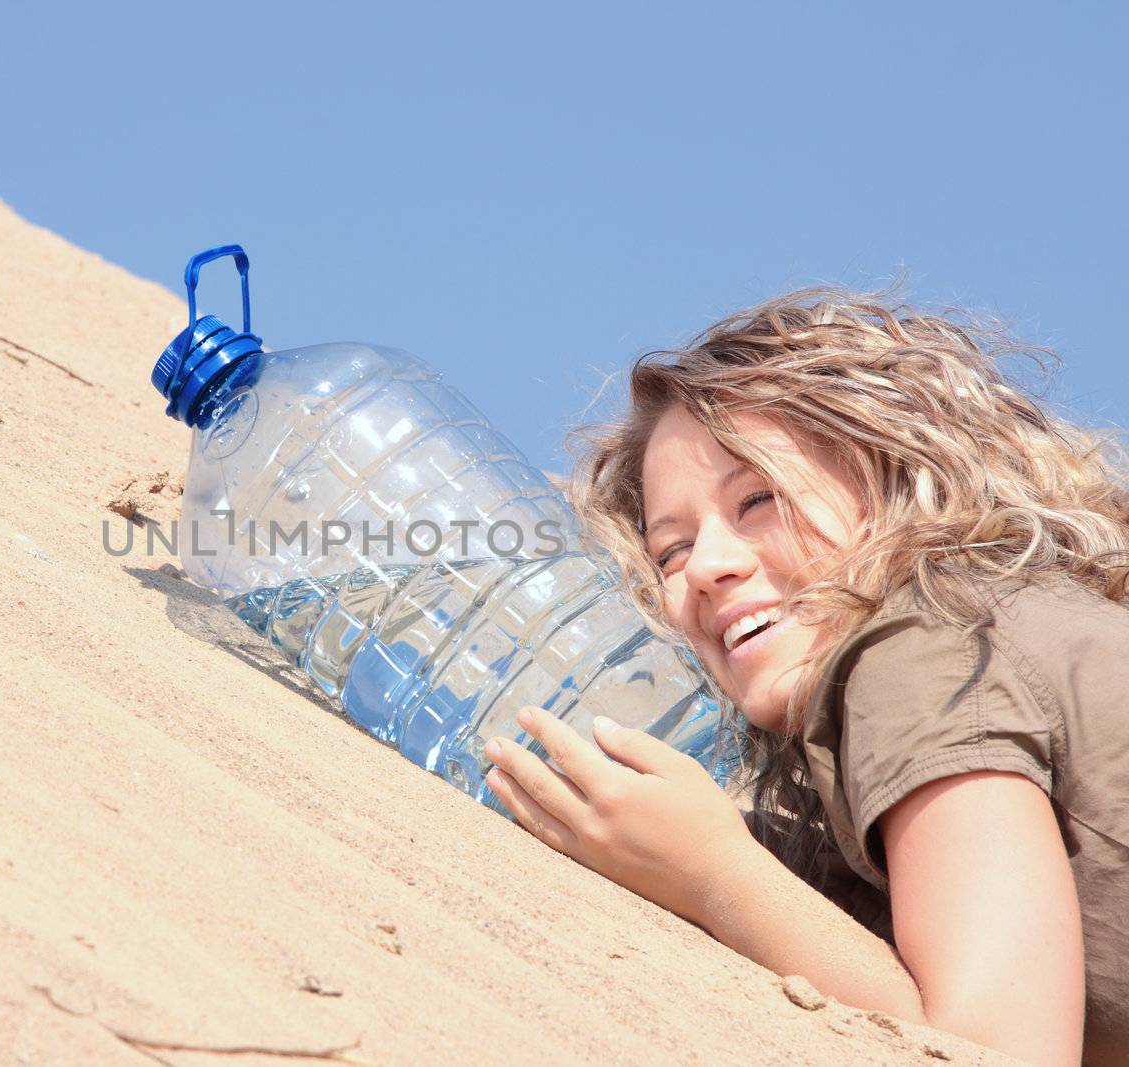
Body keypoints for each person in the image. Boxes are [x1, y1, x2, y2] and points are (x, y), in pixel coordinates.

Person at [481, 290, 1128, 1066]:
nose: (709, 569)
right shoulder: (993, 631)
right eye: (670, 552)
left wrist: (715, 873)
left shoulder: (924, 646)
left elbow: (997, 1053)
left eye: (757, 500)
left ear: (893, 473)